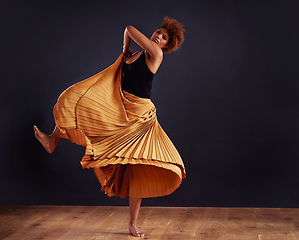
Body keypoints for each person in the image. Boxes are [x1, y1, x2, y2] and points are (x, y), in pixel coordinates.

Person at [34, 17, 186, 237]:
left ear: (165, 45)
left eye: (163, 38)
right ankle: (54, 139)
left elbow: (129, 29)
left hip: (139, 118)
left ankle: (132, 224)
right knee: (75, 100)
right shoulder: (136, 55)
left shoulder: (156, 54)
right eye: (159, 32)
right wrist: (126, 52)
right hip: (119, 111)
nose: (158, 37)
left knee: (136, 169)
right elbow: (129, 34)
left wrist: (125, 47)